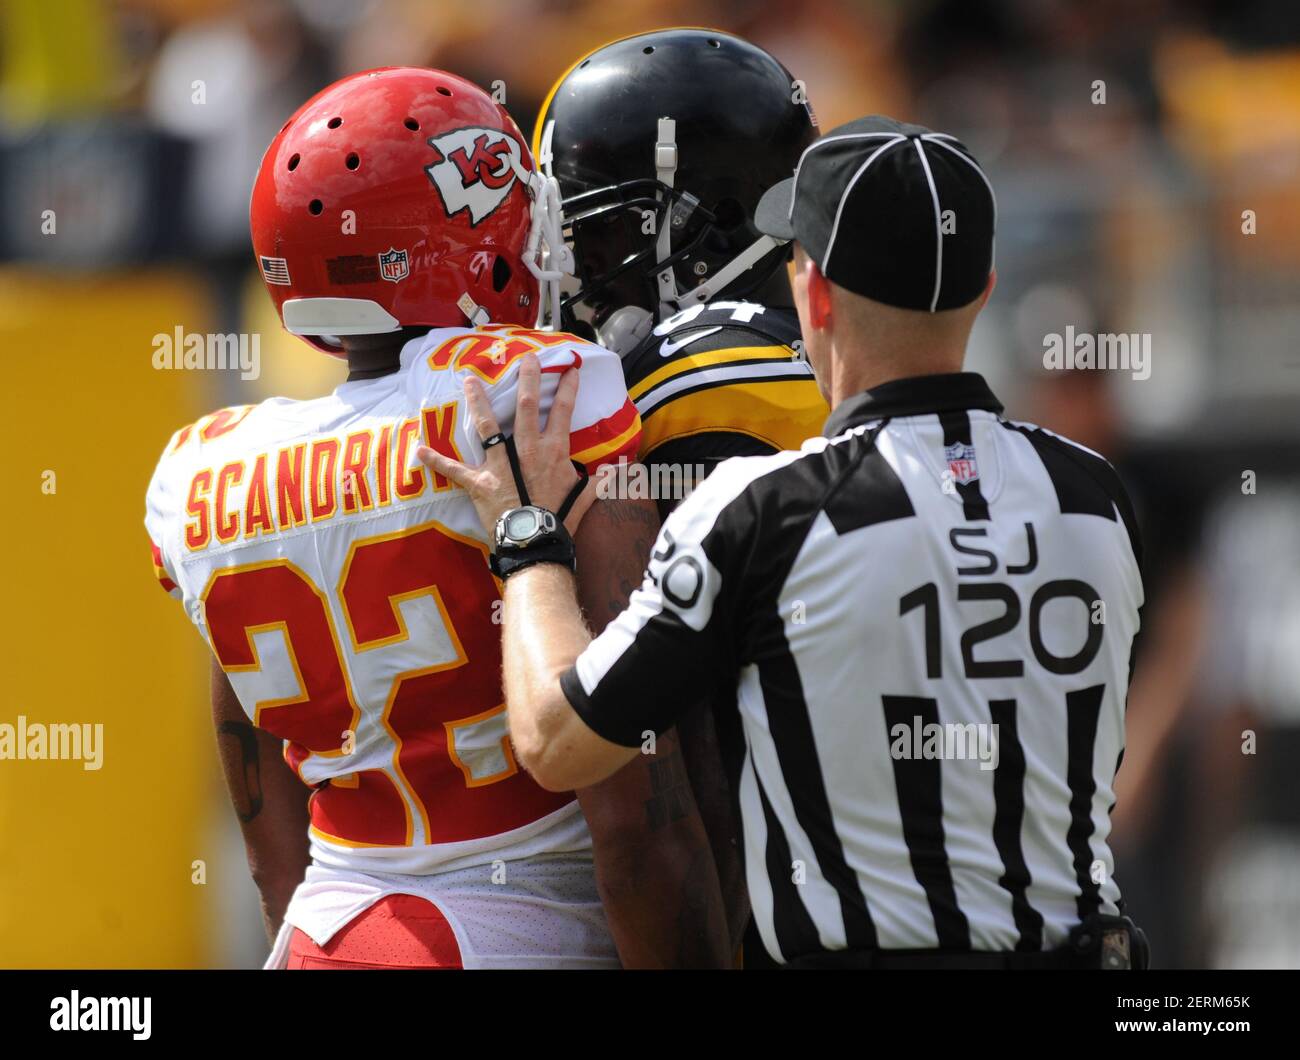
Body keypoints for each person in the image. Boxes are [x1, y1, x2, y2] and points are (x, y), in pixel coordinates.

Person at [421, 116, 1150, 969]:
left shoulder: (760, 510)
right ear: (985, 288)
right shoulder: (1094, 492)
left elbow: (556, 740)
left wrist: (529, 539)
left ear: (815, 291)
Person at [144, 67, 727, 969]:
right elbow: (638, 805)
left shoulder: (202, 466)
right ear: (461, 244)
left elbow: (260, 789)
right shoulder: (527, 390)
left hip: (321, 932)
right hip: (518, 927)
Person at [535, 28, 829, 953]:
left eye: (606, 231)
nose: (576, 272)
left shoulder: (684, 385)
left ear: (719, 219)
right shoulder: (853, 349)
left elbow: (664, 746)